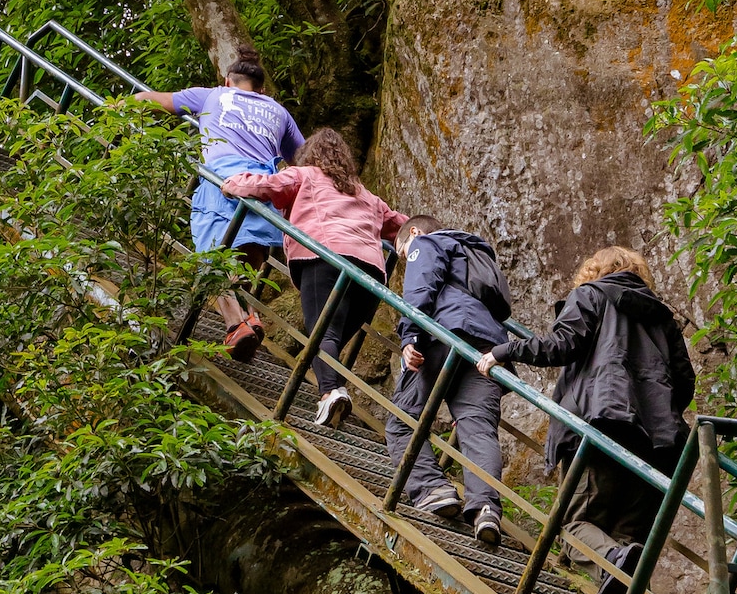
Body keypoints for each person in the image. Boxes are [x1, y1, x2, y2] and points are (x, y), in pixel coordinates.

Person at [477, 246, 694, 594]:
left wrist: (503, 351)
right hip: (660, 445)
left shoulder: (592, 295)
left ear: (595, 271)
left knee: (574, 527)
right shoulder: (663, 318)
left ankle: (615, 564)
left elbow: (562, 345)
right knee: (626, 536)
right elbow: (684, 383)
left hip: (604, 427)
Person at [222, 129, 405, 428]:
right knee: (330, 339)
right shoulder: (367, 196)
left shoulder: (305, 175)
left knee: (323, 335)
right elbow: (400, 226)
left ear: (310, 155)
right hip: (371, 275)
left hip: (325, 258)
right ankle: (331, 391)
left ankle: (331, 393)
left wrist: (231, 184)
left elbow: (266, 186)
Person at [133, 51, 304, 363]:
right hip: (262, 186)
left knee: (212, 255)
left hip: (222, 182)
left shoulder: (214, 96)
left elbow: (151, 99)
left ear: (229, 81)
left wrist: (119, 105)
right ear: (262, 89)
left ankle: (235, 325)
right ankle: (250, 315)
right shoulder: (279, 112)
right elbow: (304, 161)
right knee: (249, 252)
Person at [385, 217, 512, 547]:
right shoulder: (478, 256)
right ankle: (485, 507)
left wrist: (411, 335)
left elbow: (420, 286)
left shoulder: (427, 243)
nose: (405, 259)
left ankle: (432, 489)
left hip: (444, 336)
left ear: (414, 232)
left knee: (401, 421)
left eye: (402, 254)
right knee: (478, 428)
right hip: (486, 347)